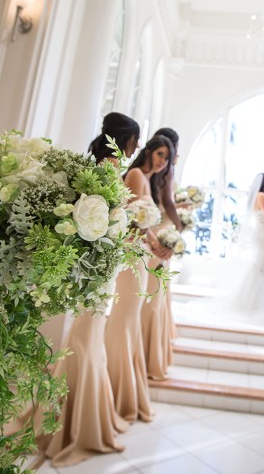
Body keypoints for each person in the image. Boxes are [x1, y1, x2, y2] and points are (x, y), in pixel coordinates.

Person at [25, 112, 139, 468]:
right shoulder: (107, 166)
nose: (136, 147)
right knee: (86, 338)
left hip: (106, 264)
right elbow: (99, 216)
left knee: (89, 336)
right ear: (123, 139)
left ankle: (83, 419)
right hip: (99, 265)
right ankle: (74, 426)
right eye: (134, 140)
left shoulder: (106, 164)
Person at [104, 135, 174, 423]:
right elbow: (132, 219)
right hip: (132, 252)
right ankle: (112, 384)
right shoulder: (134, 174)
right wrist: (156, 243)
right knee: (126, 317)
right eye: (159, 154)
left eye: (167, 158)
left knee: (131, 318)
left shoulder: (146, 179)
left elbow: (143, 221)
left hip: (143, 252)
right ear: (147, 151)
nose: (163, 161)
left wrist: (158, 245)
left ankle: (123, 388)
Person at [221, 173, 264, 325]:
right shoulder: (261, 196)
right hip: (262, 236)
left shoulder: (261, 197)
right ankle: (252, 305)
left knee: (262, 266)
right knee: (260, 266)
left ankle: (259, 304)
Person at [141, 127, 182, 381]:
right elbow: (166, 201)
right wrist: (179, 225)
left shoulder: (154, 173)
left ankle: (147, 353)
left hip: (155, 231)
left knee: (154, 294)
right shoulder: (144, 175)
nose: (165, 161)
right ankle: (147, 355)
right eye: (161, 154)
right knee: (154, 294)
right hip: (154, 233)